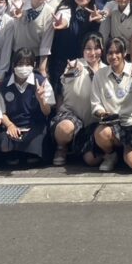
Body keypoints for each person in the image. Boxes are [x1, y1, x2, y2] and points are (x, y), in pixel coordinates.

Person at [90, 37, 132, 172]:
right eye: (110, 53)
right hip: (113, 123)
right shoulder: (99, 75)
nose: (114, 56)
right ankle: (111, 154)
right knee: (101, 133)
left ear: (124, 53)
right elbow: (95, 104)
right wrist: (102, 113)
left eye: (117, 52)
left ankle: (126, 150)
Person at [50, 34, 106, 167]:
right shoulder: (76, 64)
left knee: (91, 160)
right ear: (82, 50)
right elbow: (68, 75)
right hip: (71, 116)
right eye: (88, 48)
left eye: (96, 48)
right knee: (65, 128)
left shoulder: (106, 69)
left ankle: (91, 150)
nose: (92, 52)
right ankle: (61, 148)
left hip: (93, 122)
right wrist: (73, 70)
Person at [0, 48, 55, 167]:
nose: (24, 67)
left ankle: (26, 154)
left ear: (34, 65)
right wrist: (10, 125)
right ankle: (16, 154)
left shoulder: (42, 82)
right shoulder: (3, 85)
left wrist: (41, 99)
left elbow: (47, 112)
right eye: (20, 64)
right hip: (13, 125)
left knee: (36, 144)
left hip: (35, 126)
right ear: (14, 65)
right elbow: (0, 112)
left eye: (28, 64)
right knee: (3, 142)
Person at [44, 0, 106, 88]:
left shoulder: (95, 11)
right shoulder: (66, 8)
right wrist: (61, 23)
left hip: (85, 60)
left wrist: (98, 20)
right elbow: (64, 17)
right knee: (62, 90)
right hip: (63, 60)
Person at [0, 0, 60, 85]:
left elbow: (46, 43)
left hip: (34, 57)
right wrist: (16, 12)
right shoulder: (22, 4)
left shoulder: (50, 12)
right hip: (16, 55)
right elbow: (14, 9)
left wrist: (42, 68)